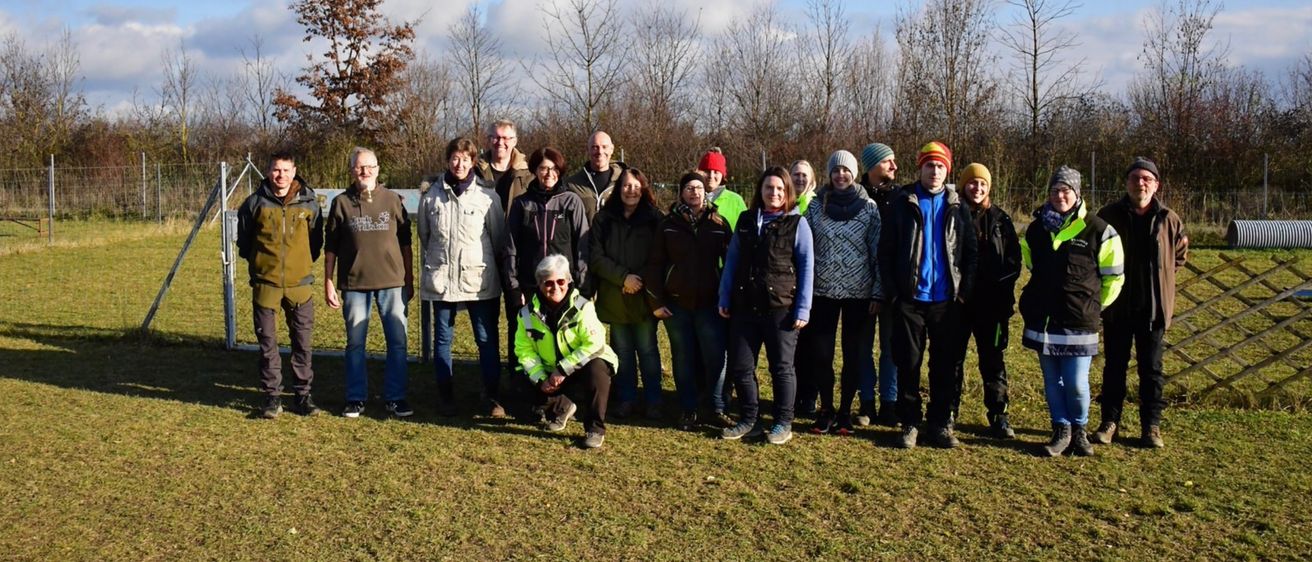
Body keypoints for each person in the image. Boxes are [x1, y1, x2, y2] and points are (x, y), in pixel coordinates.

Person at [1019, 166, 1124, 457]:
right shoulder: (1036, 228)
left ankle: (1080, 430)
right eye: (1054, 190)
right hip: (1044, 318)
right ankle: (1060, 430)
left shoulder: (1100, 230)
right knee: (1052, 380)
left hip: (1080, 320)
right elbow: (1031, 265)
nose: (1060, 196)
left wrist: (1095, 306)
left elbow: (1114, 277)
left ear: (1077, 194)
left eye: (1066, 190)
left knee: (1076, 383)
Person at [879, 141, 977, 449]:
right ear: (920, 168)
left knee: (944, 365)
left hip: (947, 302)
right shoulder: (902, 203)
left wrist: (963, 294)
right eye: (929, 165)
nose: (934, 171)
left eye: (940, 166)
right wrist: (894, 294)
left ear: (947, 170)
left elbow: (970, 253)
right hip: (909, 300)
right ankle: (909, 422)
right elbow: (886, 251)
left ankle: (939, 423)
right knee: (908, 363)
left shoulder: (958, 206)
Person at [1093, 157, 1188, 448]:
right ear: (1127, 183)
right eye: (1135, 178)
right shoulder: (1108, 215)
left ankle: (1151, 427)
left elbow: (1180, 256)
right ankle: (1109, 423)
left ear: (1156, 185)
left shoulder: (1169, 219)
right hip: (1118, 307)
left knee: (1152, 370)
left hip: (1153, 309)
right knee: (1114, 368)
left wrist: (1161, 279)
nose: (1141, 183)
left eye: (1147, 179)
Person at [718, 166, 814, 445]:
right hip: (744, 306)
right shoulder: (746, 220)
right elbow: (732, 261)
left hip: (781, 308)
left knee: (781, 368)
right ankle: (749, 418)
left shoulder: (798, 224)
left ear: (788, 192)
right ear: (760, 190)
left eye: (780, 189)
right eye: (769, 187)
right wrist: (725, 296)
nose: (774, 193)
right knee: (741, 366)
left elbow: (807, 267)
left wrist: (803, 308)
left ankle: (783, 422)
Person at [418, 137, 509, 418]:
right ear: (448, 160)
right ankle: (446, 396)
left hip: (479, 282)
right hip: (442, 280)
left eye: (465, 159)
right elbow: (425, 235)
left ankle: (491, 396)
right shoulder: (430, 196)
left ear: (473, 162)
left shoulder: (487, 197)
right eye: (455, 159)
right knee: (443, 340)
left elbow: (498, 239)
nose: (459, 164)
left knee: (486, 339)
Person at [324, 147, 415, 418]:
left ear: (378, 169)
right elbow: (331, 246)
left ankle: (396, 398)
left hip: (392, 282)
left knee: (397, 342)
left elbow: (406, 243)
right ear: (352, 170)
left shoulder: (393, 200)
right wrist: (328, 281)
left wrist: (409, 278)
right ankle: (355, 398)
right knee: (355, 344)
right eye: (360, 167)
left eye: (370, 166)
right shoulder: (341, 203)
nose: (365, 171)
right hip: (354, 284)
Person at [235, 152, 324, 418]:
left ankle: (303, 396)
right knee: (268, 344)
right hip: (266, 286)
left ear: (294, 172)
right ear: (268, 171)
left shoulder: (310, 204)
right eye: (276, 170)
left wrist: (299, 265)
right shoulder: (254, 204)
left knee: (302, 343)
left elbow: (315, 244)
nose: (280, 175)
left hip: (300, 287)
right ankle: (272, 397)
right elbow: (245, 244)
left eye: (286, 170)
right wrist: (263, 267)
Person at [802, 150, 882, 436]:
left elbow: (877, 252)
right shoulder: (815, 206)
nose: (840, 175)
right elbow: (805, 248)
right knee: (822, 354)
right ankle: (826, 409)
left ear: (854, 173)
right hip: (822, 292)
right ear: (829, 173)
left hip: (859, 294)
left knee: (854, 355)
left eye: (846, 170)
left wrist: (878, 292)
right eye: (835, 170)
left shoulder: (869, 208)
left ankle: (846, 411)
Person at [504, 147, 589, 415]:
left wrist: (582, 286)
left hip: (562, 289)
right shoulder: (522, 204)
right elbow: (510, 247)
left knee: (561, 342)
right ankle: (529, 397)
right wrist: (513, 286)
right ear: (535, 171)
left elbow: (582, 246)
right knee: (526, 342)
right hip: (529, 287)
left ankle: (566, 398)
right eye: (543, 168)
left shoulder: (571, 202)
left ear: (560, 171)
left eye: (553, 168)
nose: (548, 173)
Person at [646, 171, 734, 430]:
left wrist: (728, 296)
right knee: (683, 359)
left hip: (710, 304)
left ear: (705, 192)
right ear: (681, 192)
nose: (694, 192)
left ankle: (716, 407)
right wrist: (656, 302)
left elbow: (731, 263)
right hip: (677, 305)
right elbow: (654, 265)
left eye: (698, 187)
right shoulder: (668, 225)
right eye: (689, 188)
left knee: (716, 357)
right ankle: (688, 409)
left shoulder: (718, 223)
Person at [515, 254, 618, 449]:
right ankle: (561, 407)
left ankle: (595, 429)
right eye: (548, 283)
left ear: (568, 281)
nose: (555, 287)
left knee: (596, 369)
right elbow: (524, 350)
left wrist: (562, 369)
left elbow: (595, 343)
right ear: (539, 284)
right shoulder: (526, 314)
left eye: (560, 281)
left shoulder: (584, 306)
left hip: (581, 365)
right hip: (550, 371)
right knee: (521, 378)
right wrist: (540, 379)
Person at [952, 163, 1022, 439]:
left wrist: (1001, 292)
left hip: (992, 306)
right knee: (952, 359)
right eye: (972, 182)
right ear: (963, 185)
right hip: (957, 303)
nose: (977, 188)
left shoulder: (1001, 220)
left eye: (982, 184)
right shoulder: (952, 215)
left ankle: (998, 414)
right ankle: (948, 412)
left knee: (993, 361)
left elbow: (1014, 262)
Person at [589, 167, 664, 420]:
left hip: (644, 297)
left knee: (648, 351)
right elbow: (596, 257)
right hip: (615, 296)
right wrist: (622, 278)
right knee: (622, 352)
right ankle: (626, 399)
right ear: (618, 189)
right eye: (626, 186)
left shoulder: (655, 219)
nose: (631, 191)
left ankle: (654, 400)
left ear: (643, 189)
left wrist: (637, 280)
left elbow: (659, 256)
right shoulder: (603, 219)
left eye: (636, 186)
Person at [859, 142, 901, 426]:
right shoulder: (856, 196)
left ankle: (889, 402)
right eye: (888, 161)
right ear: (872, 166)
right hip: (861, 285)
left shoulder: (900, 198)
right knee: (863, 347)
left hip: (892, 285)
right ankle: (866, 403)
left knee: (891, 346)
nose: (894, 166)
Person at [565, 131, 628, 221]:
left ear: (612, 149)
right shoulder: (571, 185)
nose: (600, 152)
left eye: (604, 147)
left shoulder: (625, 181)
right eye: (595, 147)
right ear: (588, 150)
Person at [477, 119, 533, 214]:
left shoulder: (527, 174)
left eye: (505, 138)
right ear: (489, 140)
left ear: (514, 141)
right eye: (496, 137)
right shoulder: (475, 171)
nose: (500, 142)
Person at [698, 147, 747, 231]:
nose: (711, 176)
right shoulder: (693, 198)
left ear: (722, 175)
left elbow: (746, 231)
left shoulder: (736, 201)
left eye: (716, 172)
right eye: (707, 171)